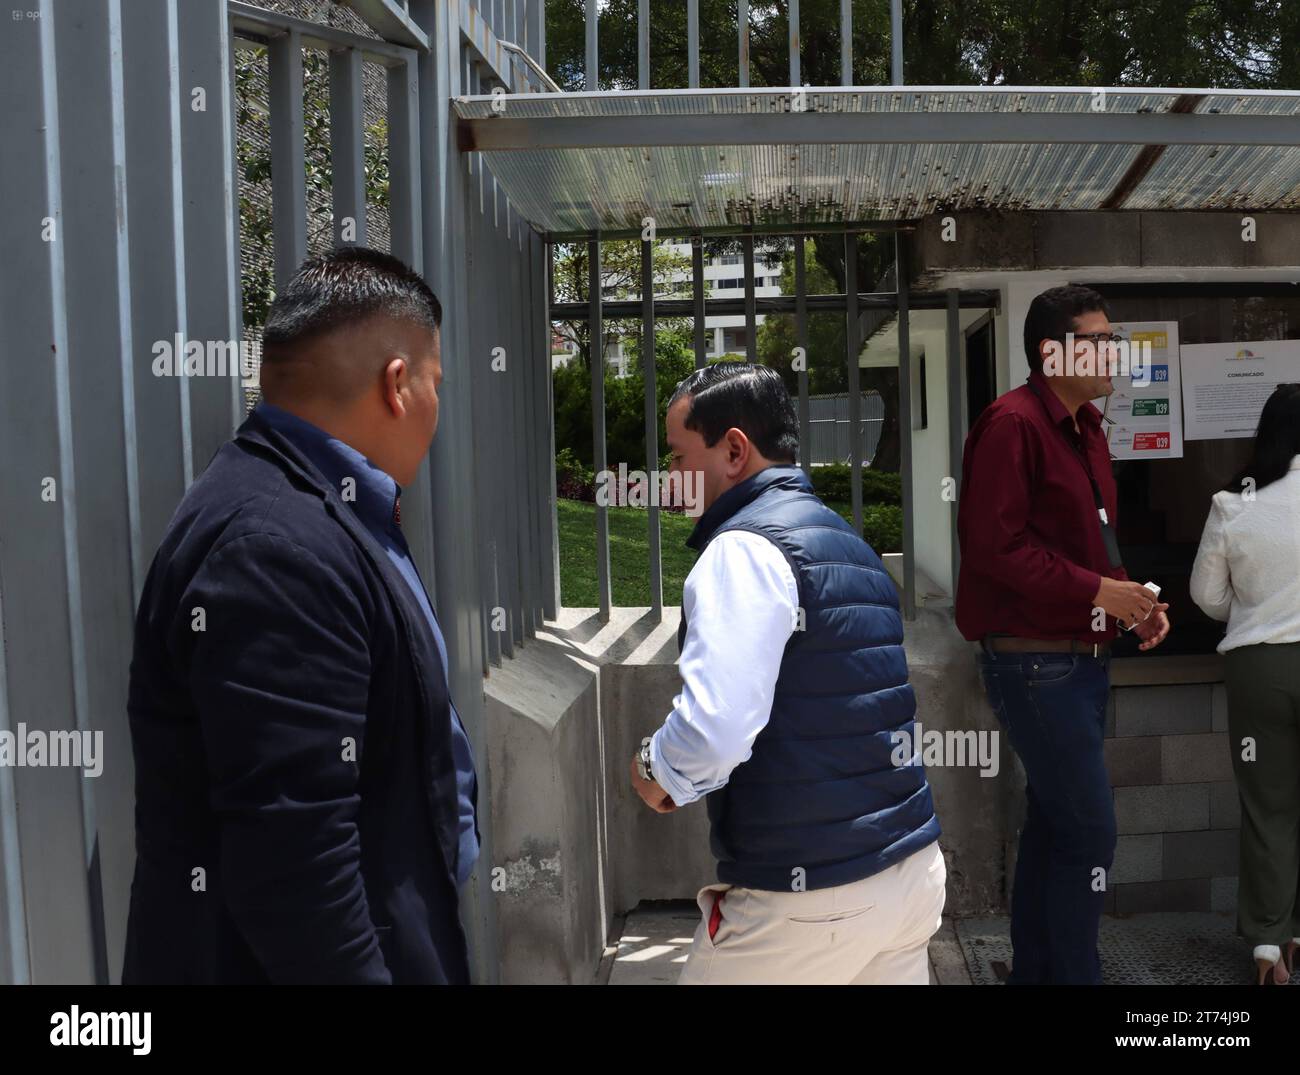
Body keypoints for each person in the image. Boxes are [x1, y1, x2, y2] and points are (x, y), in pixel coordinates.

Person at [122, 247, 478, 984]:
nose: (437, 407)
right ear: (398, 383)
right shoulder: (277, 547)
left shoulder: (305, 507)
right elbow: (296, 867)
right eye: (437, 382)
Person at [629, 361, 945, 985]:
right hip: (909, 876)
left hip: (809, 902)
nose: (671, 477)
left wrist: (655, 771)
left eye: (678, 455)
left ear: (734, 450)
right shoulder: (847, 543)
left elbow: (718, 726)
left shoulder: (743, 549)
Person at [955, 284, 1171, 985]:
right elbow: (995, 548)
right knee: (1089, 832)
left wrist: (1131, 599)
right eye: (1099, 339)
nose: (1115, 351)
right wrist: (1096, 591)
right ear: (1052, 352)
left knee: (1055, 826)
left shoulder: (1088, 429)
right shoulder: (1012, 424)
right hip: (1034, 664)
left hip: (1080, 661)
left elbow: (1090, 548)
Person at [1190, 382, 1300, 985]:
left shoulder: (1234, 504)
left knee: (1269, 808)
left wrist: (1255, 609)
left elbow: (1207, 597)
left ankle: (1268, 945)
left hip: (1260, 667)